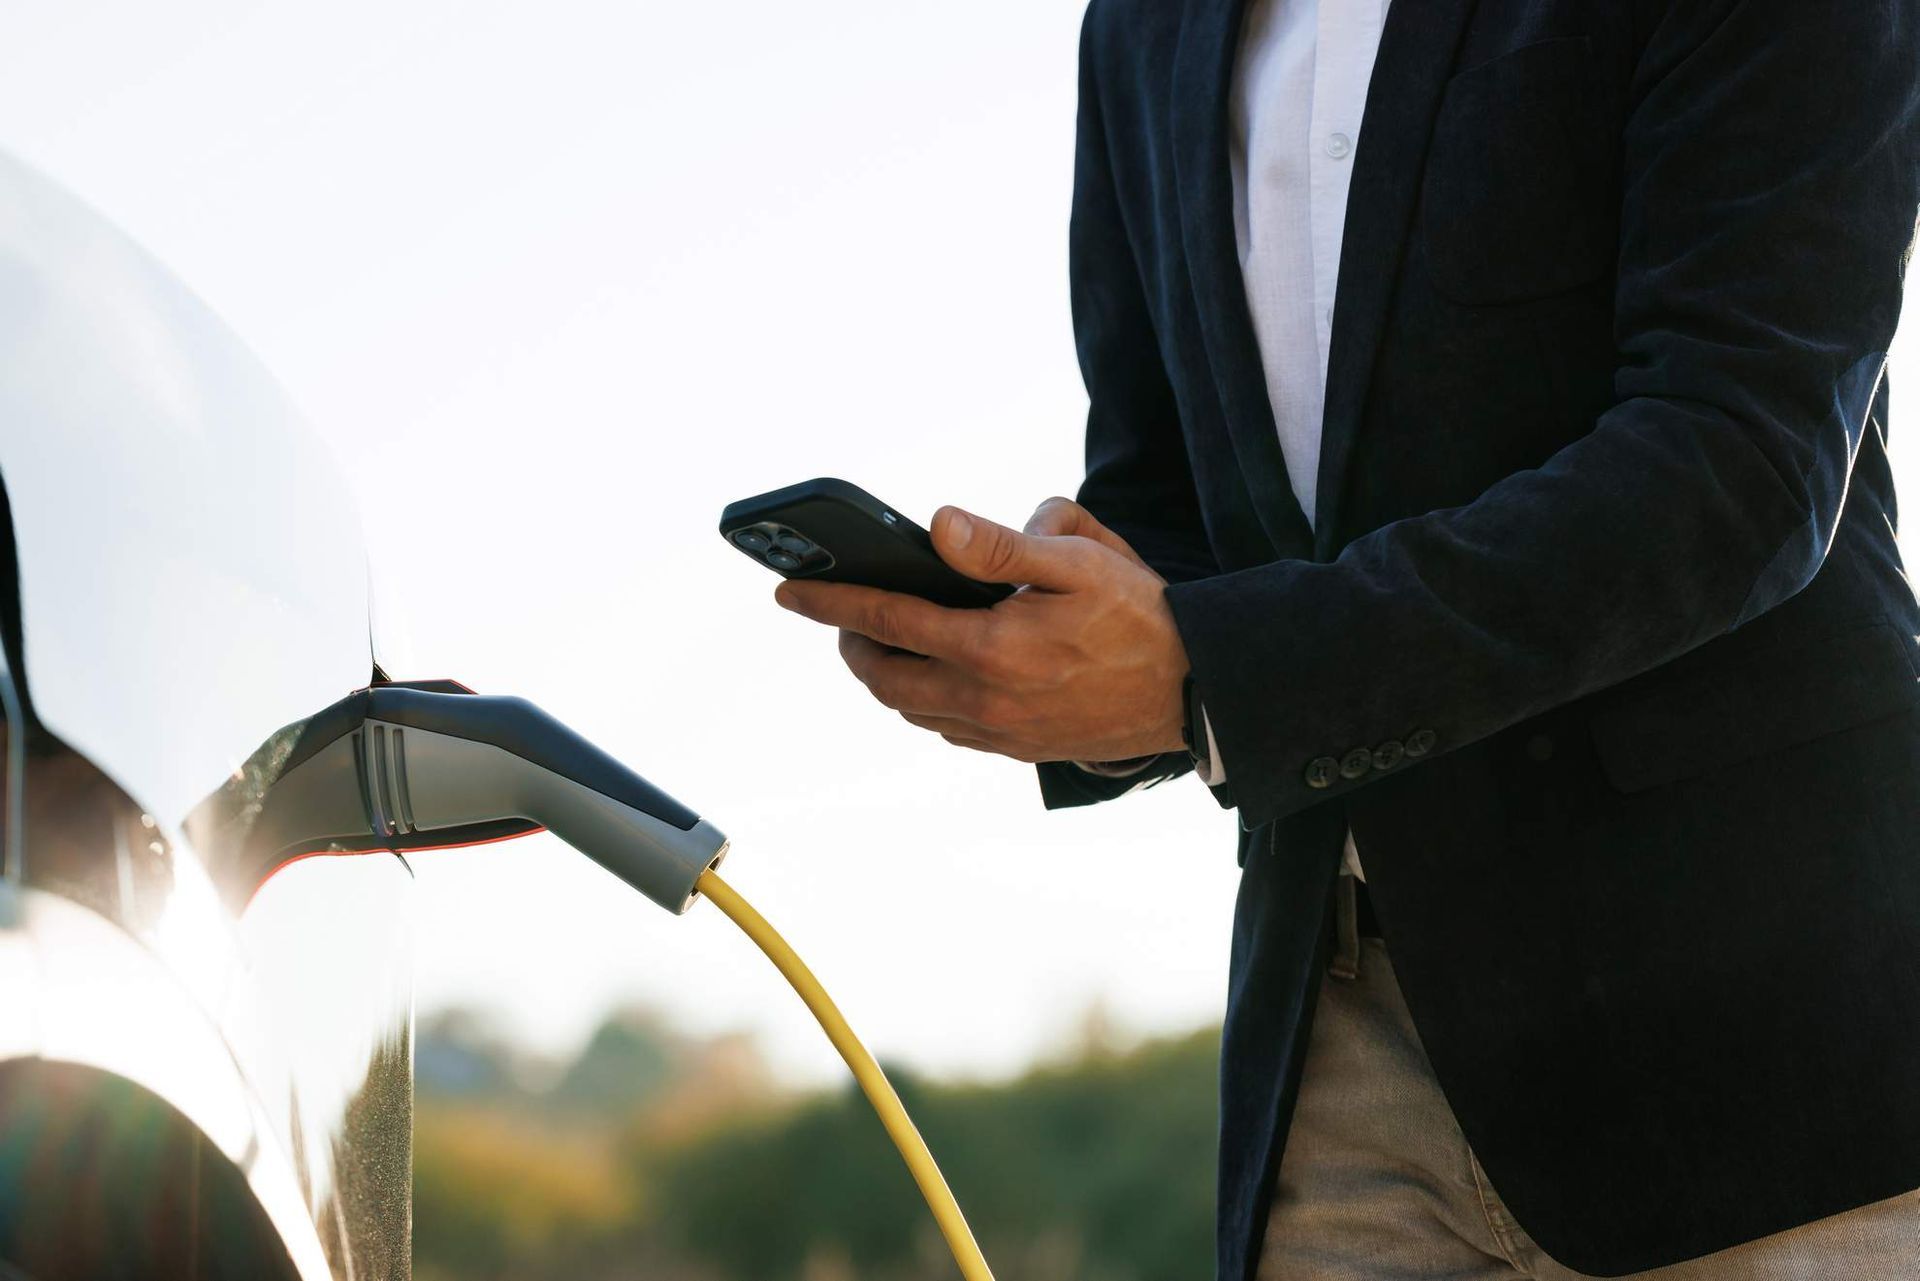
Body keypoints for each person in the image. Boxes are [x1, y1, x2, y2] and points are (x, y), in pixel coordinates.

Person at [774, 0, 1920, 1276]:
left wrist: (1217, 673)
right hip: (1336, 1057)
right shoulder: (1141, 33)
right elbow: (1177, 513)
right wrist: (1060, 650)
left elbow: (1740, 463)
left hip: (1760, 1040)